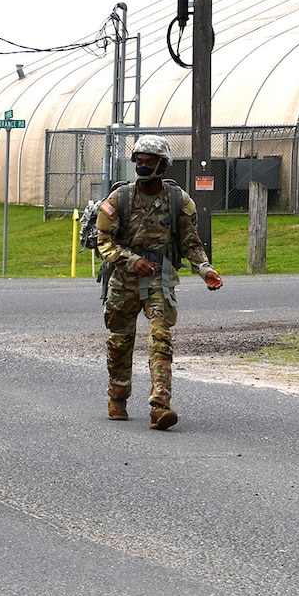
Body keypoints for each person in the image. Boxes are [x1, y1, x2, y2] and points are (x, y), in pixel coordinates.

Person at [93, 134, 222, 430]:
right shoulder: (119, 198)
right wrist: (130, 260)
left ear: (162, 165)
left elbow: (191, 243)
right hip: (123, 282)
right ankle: (118, 397)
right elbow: (104, 240)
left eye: (148, 161)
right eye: (138, 160)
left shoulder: (178, 200)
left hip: (160, 280)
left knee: (161, 340)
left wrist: (206, 270)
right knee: (119, 343)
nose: (141, 165)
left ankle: (160, 406)